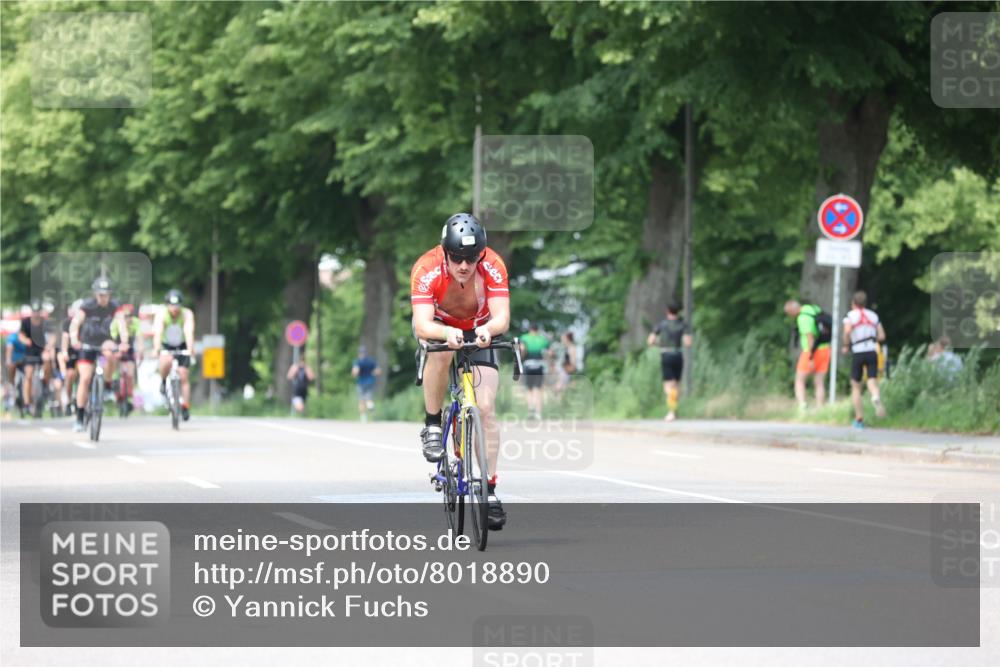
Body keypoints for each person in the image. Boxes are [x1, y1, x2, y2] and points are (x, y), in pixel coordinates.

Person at [411, 212, 510, 530]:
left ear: (481, 253)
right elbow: (423, 323)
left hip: (481, 328)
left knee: (486, 408)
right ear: (445, 253)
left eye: (470, 258)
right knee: (440, 355)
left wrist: (487, 330)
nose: (464, 265)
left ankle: (490, 490)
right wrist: (444, 334)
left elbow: (502, 318)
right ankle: (433, 424)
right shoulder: (426, 268)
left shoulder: (493, 265)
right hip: (440, 326)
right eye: (456, 258)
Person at [68, 278, 130, 432]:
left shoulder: (115, 306)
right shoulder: (87, 306)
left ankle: (107, 384)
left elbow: (122, 325)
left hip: (105, 342)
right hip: (87, 343)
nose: (104, 297)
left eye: (106, 294)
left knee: (111, 352)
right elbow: (75, 324)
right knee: (85, 378)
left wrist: (124, 342)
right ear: (95, 294)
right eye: (101, 294)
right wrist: (75, 340)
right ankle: (80, 416)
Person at [841, 290, 887, 429]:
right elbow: (882, 336)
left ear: (853, 303)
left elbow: (847, 331)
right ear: (865, 303)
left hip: (858, 352)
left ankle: (859, 419)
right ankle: (875, 396)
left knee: (856, 386)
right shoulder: (873, 316)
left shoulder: (850, 316)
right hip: (872, 351)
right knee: (872, 380)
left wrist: (846, 345)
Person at [153, 289, 196, 421]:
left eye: (177, 306)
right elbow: (158, 332)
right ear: (167, 305)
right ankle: (163, 381)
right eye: (172, 306)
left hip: (182, 345)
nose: (174, 309)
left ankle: (185, 406)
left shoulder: (186, 314)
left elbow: (188, 331)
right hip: (167, 345)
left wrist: (190, 348)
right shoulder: (162, 314)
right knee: (165, 362)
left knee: (183, 375)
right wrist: (156, 348)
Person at [646, 303, 693, 421]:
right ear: (678, 312)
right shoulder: (683, 325)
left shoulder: (662, 325)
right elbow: (688, 343)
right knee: (676, 386)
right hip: (678, 355)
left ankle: (671, 412)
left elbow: (650, 341)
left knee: (668, 387)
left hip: (666, 355)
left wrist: (660, 344)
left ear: (668, 311)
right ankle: (674, 411)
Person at [784, 299, 830, 410]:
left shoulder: (802, 318)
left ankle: (802, 406)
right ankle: (820, 408)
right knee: (819, 382)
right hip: (825, 349)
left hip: (810, 352)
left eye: (789, 313)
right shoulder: (813, 308)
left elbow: (810, 338)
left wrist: (811, 357)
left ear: (793, 310)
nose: (790, 316)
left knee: (799, 380)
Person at [110, 303, 142, 415]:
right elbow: (111, 340)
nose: (127, 319)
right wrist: (116, 350)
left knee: (130, 374)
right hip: (116, 346)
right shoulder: (115, 323)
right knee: (113, 361)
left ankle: (129, 397)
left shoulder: (136, 323)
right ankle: (114, 380)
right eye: (125, 316)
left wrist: (141, 352)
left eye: (129, 316)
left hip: (130, 348)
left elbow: (139, 338)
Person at [17, 301, 48, 416]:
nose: (36, 313)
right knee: (28, 375)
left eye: (38, 311)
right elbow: (20, 335)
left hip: (42, 349)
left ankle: (45, 381)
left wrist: (48, 347)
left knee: (47, 359)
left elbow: (52, 335)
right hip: (30, 350)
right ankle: (26, 403)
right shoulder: (25, 322)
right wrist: (26, 340)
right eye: (34, 311)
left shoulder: (45, 323)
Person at [519, 323, 550, 419]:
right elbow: (547, 354)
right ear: (537, 330)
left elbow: (522, 350)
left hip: (528, 364)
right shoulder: (543, 340)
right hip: (539, 365)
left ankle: (531, 408)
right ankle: (538, 413)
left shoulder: (524, 338)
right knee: (538, 389)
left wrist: (521, 358)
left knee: (529, 389)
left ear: (530, 329)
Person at [58, 299, 83, 416]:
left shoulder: (88, 322)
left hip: (84, 350)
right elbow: (65, 338)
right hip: (72, 350)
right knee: (70, 375)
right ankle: (68, 401)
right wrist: (64, 351)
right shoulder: (68, 322)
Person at [351, 345, 380, 422]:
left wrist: (355, 374)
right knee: (369, 399)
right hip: (370, 382)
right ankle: (371, 408)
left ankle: (363, 418)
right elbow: (378, 371)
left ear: (359, 353)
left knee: (361, 400)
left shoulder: (357, 362)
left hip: (361, 383)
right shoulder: (371, 361)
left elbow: (355, 372)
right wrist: (372, 373)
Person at [5, 330, 27, 412]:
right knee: (11, 369)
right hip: (14, 361)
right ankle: (11, 385)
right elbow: (9, 348)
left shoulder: (28, 338)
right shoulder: (13, 337)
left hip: (24, 361)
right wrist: (8, 360)